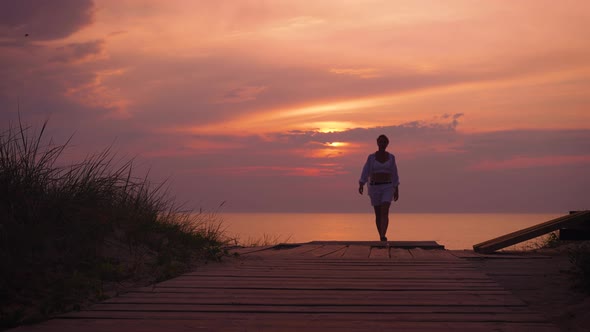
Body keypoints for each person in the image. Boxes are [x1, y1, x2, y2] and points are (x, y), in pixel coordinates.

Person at [358, 134, 400, 241]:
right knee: (378, 213)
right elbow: (366, 170)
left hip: (388, 186)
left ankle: (383, 235)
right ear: (377, 143)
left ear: (387, 144)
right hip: (374, 187)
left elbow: (394, 173)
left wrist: (396, 188)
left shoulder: (391, 157)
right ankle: (380, 235)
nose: (382, 144)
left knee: (385, 210)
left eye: (384, 142)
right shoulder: (371, 157)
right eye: (380, 142)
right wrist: (361, 183)